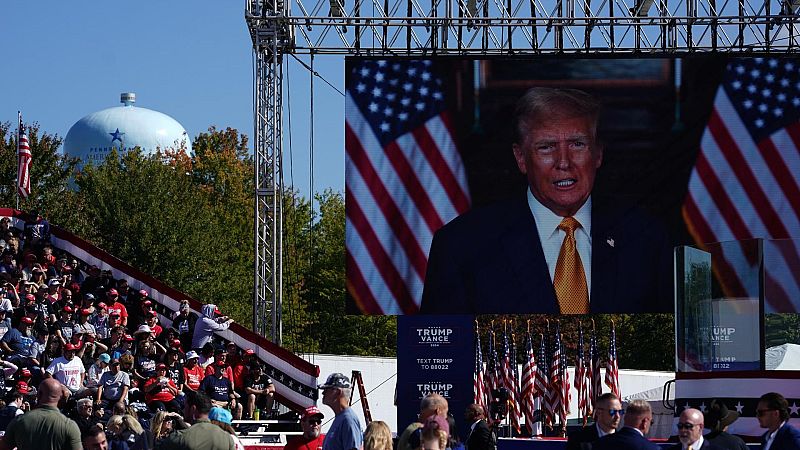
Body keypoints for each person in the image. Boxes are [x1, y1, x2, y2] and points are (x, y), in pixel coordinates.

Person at [420, 87, 672, 314]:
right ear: (520, 158)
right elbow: (438, 358)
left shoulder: (647, 238)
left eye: (577, 144)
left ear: (597, 154)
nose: (564, 162)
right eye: (547, 147)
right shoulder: (462, 245)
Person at [0, 378, 82, 450]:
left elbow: (4, 447)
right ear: (60, 397)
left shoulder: (20, 420)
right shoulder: (69, 425)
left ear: (38, 394)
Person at [156, 390, 235, 450]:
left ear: (193, 409)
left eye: (185, 406)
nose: (183, 410)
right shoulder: (227, 438)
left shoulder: (179, 437)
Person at [593, 399, 659, 450]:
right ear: (645, 422)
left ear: (625, 418)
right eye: (651, 422)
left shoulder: (602, 443)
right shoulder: (651, 448)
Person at [319, 373, 362, 450]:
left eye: (327, 389)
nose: (323, 392)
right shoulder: (341, 418)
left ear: (338, 392)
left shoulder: (349, 419)